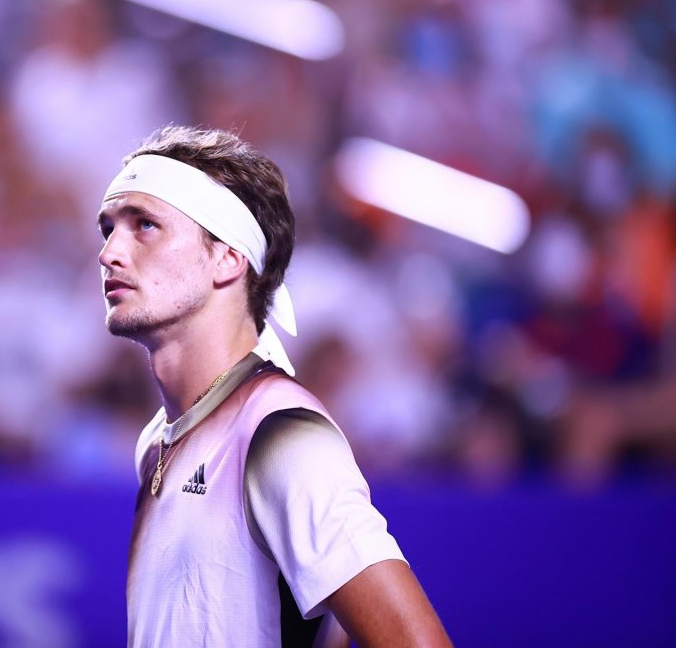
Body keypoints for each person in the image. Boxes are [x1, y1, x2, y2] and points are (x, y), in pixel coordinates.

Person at [96, 126, 451, 647]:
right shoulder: (157, 441)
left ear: (228, 258)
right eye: (108, 229)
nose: (109, 252)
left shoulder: (280, 432)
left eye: (145, 225)